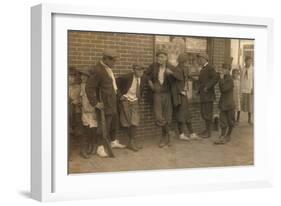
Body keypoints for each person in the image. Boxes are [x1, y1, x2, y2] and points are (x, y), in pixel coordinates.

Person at [85, 49, 126, 158]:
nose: (115, 63)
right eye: (113, 61)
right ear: (106, 59)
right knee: (103, 127)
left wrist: (118, 96)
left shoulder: (108, 68)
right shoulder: (98, 70)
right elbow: (89, 88)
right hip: (104, 103)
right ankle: (100, 147)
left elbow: (112, 85)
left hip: (112, 101)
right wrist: (95, 103)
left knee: (113, 124)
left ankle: (112, 142)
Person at [146, 49, 174, 148]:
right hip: (157, 94)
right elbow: (146, 75)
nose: (159, 58)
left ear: (166, 58)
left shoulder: (171, 67)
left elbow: (178, 79)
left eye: (162, 57)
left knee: (167, 116)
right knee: (158, 116)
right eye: (158, 57)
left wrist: (171, 74)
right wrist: (150, 84)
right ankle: (168, 134)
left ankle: (164, 137)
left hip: (167, 94)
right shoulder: (153, 66)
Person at [116, 63, 146, 151]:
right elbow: (115, 84)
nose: (140, 72)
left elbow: (142, 89)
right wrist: (120, 96)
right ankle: (131, 142)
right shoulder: (127, 77)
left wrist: (138, 99)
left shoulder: (143, 78)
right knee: (126, 122)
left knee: (135, 122)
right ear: (133, 70)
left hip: (135, 101)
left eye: (142, 70)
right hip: (126, 101)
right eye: (138, 70)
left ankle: (132, 142)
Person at [170, 53, 200, 141]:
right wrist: (181, 91)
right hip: (180, 96)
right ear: (183, 61)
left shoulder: (182, 69)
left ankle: (191, 133)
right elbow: (175, 83)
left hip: (184, 95)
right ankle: (182, 134)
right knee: (182, 115)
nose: (188, 63)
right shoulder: (177, 70)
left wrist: (196, 79)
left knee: (186, 114)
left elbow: (187, 77)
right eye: (187, 61)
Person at [77, 68, 99, 158]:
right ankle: (89, 145)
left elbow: (95, 98)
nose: (83, 77)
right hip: (84, 111)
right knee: (87, 129)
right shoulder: (81, 85)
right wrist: (79, 102)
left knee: (93, 129)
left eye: (85, 76)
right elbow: (80, 97)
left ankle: (94, 145)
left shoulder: (92, 86)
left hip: (92, 111)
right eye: (82, 75)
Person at [196, 53, 219, 138]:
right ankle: (206, 130)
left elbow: (216, 77)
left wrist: (207, 87)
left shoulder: (210, 67)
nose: (198, 60)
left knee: (207, 114)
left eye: (199, 59)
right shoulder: (203, 68)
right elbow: (203, 81)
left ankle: (208, 132)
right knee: (204, 113)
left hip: (208, 96)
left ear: (204, 59)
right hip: (203, 96)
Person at [214, 61, 235, 144]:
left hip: (229, 104)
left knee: (230, 121)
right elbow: (221, 87)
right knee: (223, 121)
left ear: (228, 70)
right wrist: (221, 79)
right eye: (222, 68)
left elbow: (223, 89)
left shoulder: (230, 80)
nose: (222, 70)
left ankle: (228, 135)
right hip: (223, 103)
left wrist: (221, 79)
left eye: (224, 69)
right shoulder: (224, 78)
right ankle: (222, 136)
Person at [240, 56, 254, 124]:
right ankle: (237, 118)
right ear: (245, 61)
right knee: (241, 103)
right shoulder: (242, 69)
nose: (249, 62)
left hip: (249, 88)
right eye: (247, 61)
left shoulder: (253, 69)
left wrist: (253, 88)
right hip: (243, 88)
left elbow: (254, 80)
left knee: (249, 104)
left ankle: (249, 119)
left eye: (250, 61)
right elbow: (240, 78)